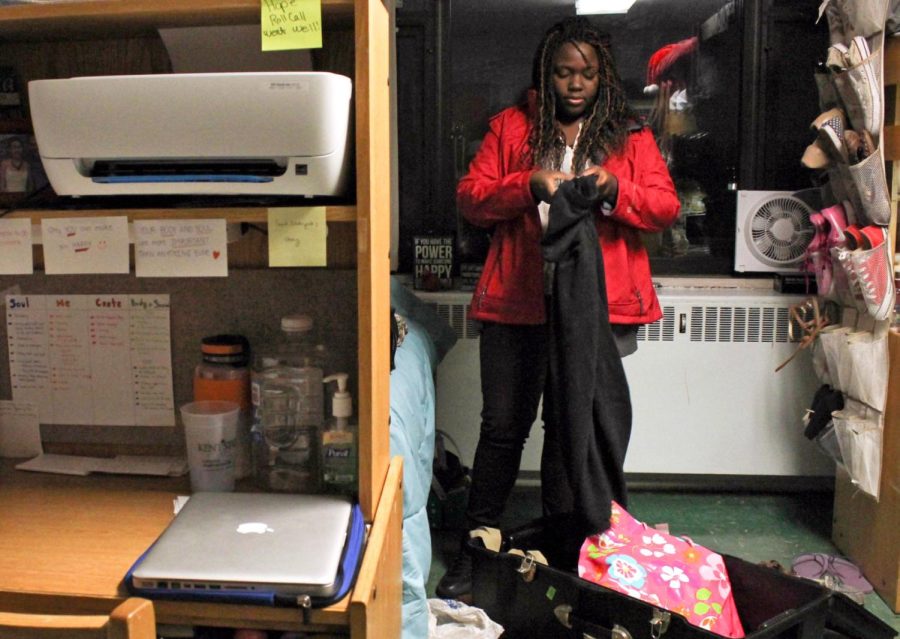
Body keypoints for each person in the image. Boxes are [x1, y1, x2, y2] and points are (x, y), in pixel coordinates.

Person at [435, 16, 680, 600]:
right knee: (501, 428)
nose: (575, 83)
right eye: (564, 72)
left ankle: (561, 552)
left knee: (571, 428)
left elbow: (665, 207)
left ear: (603, 78)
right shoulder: (511, 127)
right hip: (517, 301)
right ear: (545, 75)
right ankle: (478, 548)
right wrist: (529, 185)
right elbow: (471, 198)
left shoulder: (630, 135)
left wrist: (615, 189)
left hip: (594, 306)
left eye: (587, 73)